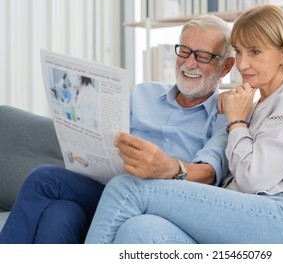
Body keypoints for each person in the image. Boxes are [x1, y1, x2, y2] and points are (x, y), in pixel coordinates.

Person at [84, 4, 283, 244]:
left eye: (255, 52)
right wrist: (239, 112)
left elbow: (254, 179)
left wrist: (237, 121)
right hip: (248, 214)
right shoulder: (259, 101)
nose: (242, 63)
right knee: (140, 230)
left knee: (128, 188)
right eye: (239, 51)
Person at [0, 14, 235, 244]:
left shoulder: (224, 113)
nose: (189, 63)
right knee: (60, 215)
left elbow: (209, 172)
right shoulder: (143, 94)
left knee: (43, 178)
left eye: (203, 56)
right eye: (183, 51)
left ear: (225, 67)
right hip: (108, 189)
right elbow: (108, 136)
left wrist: (170, 167)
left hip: (157, 204)